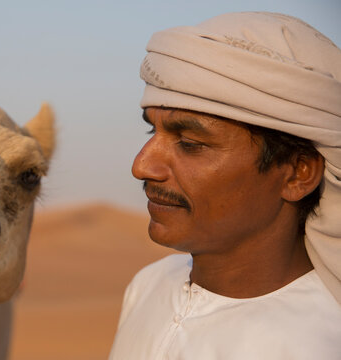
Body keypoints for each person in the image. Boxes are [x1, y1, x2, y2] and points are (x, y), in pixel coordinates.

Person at [110, 12, 341, 359]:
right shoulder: (149, 285)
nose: (141, 166)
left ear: (297, 174)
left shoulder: (321, 341)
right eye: (151, 131)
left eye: (189, 143)